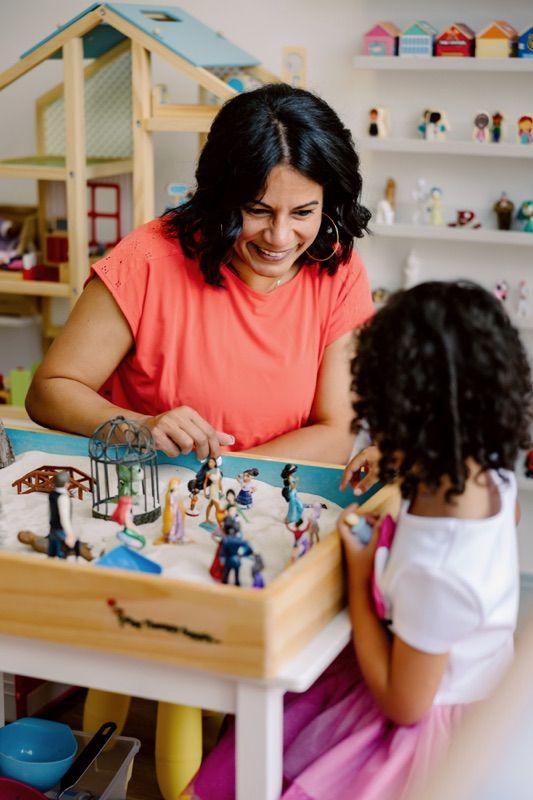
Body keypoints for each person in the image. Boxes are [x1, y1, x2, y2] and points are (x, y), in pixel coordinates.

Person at [188, 280, 533, 800]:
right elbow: (503, 524)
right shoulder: (488, 476)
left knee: (270, 734)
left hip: (416, 727)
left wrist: (360, 571)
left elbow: (404, 704)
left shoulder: (436, 567)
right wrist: (402, 464)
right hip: (451, 673)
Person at [26, 83, 373, 467]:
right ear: (221, 198)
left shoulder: (339, 273)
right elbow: (48, 392)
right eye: (257, 210)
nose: (280, 237)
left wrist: (220, 478)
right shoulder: (148, 258)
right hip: (149, 489)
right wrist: (143, 426)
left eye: (303, 213)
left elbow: (336, 434)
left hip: (261, 497)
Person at [47, 470, 77, 558]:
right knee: (62, 554)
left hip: (52, 528)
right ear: (66, 483)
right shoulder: (63, 498)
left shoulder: (52, 494)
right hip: (61, 530)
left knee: (51, 553)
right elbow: (64, 518)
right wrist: (70, 534)